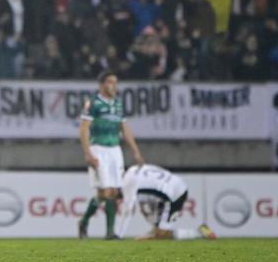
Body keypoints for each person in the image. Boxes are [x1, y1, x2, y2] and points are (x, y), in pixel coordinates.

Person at [78, 71, 144, 239]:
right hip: (98, 148)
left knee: (110, 193)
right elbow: (84, 128)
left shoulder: (118, 104)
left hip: (115, 150)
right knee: (107, 191)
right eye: (110, 82)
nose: (114, 86)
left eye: (115, 82)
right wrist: (87, 153)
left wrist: (135, 151)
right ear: (101, 84)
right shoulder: (93, 103)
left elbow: (125, 128)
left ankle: (84, 221)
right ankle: (110, 233)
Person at [115, 164, 217, 240]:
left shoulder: (127, 183)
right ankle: (154, 233)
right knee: (146, 210)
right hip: (175, 186)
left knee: (162, 235)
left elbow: (127, 210)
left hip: (174, 195)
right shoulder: (133, 169)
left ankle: (199, 232)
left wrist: (118, 235)